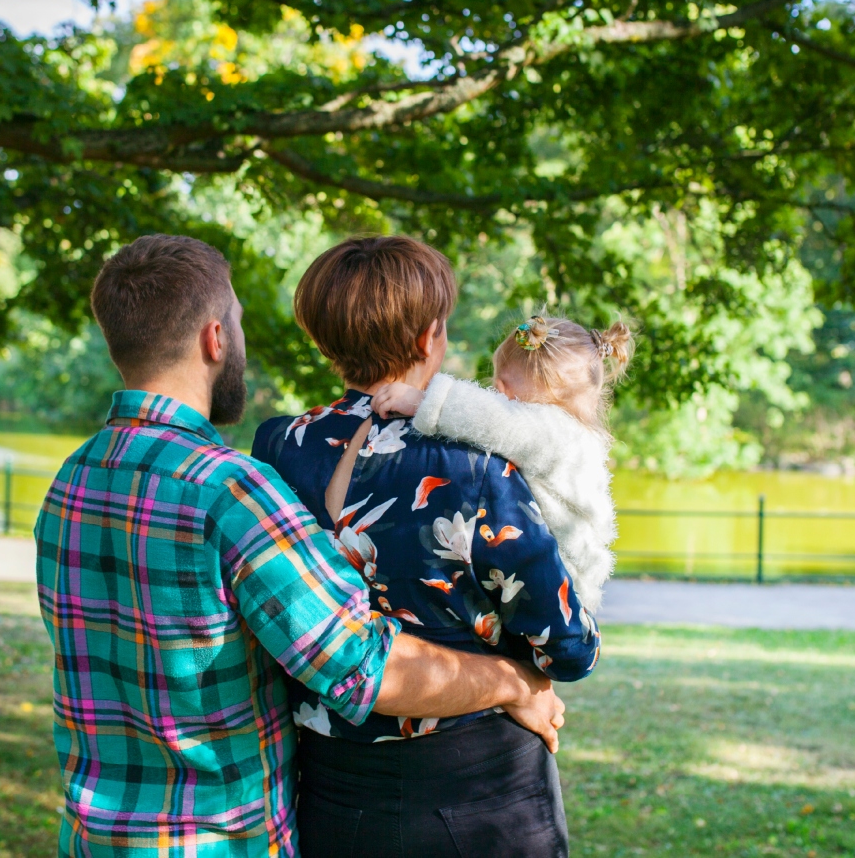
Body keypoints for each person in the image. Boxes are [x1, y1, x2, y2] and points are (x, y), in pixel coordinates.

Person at [34, 234, 565, 858]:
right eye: (235, 320)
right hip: (216, 840)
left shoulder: (72, 481)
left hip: (96, 838)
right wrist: (514, 681)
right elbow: (361, 667)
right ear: (214, 339)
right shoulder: (228, 491)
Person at [252, 237, 601, 858]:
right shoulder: (475, 464)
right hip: (476, 794)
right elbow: (566, 643)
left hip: (329, 789)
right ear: (428, 338)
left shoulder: (280, 447)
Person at [371, 314, 635, 612]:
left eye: (502, 387)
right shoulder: (568, 437)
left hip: (558, 589)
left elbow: (500, 422)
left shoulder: (560, 434)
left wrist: (424, 401)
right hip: (549, 582)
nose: (496, 395)